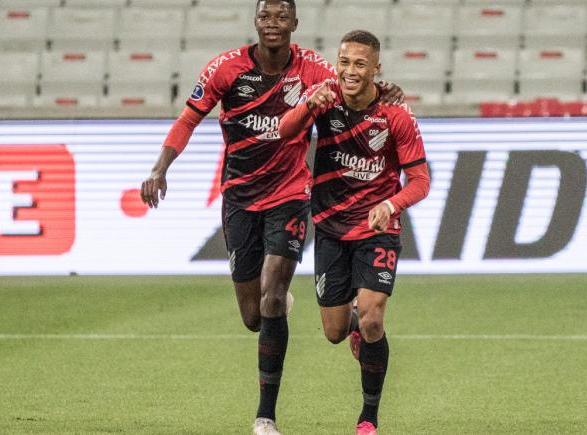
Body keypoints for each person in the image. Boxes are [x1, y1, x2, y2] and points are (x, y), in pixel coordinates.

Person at [140, 2, 402, 434]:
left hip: (291, 194)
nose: (273, 24)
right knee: (253, 316)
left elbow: (352, 85)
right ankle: (346, 320)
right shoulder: (225, 70)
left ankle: (265, 418)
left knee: (274, 296)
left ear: (294, 25)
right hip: (240, 198)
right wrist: (159, 168)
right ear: (256, 23)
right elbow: (188, 119)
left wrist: (386, 88)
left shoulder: (313, 68)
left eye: (282, 17)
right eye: (266, 17)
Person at [278, 30, 431, 435]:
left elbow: (420, 181)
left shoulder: (396, 116)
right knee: (332, 331)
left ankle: (368, 417)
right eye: (344, 61)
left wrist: (391, 204)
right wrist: (308, 105)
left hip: (377, 229)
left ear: (376, 68)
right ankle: (352, 327)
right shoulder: (324, 98)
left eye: (360, 64)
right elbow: (285, 132)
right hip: (329, 228)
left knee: (373, 320)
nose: (349, 71)